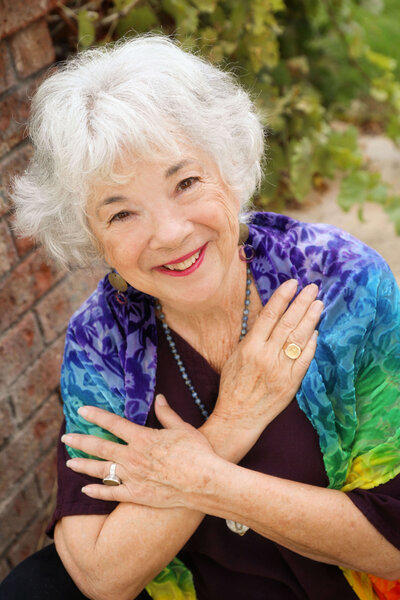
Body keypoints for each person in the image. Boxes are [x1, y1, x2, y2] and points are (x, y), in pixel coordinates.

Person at [1, 35, 400, 600]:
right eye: (121, 214)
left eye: (186, 183)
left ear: (230, 170)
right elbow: (100, 575)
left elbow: (392, 545)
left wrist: (203, 478)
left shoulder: (340, 284)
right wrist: (232, 423)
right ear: (93, 241)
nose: (169, 233)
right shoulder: (103, 338)